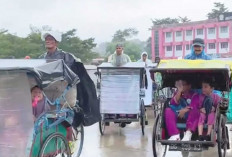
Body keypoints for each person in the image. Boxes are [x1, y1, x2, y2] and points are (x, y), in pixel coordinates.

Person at [40, 31, 101, 127]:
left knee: (65, 115)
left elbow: (70, 74)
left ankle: (69, 135)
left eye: (50, 39)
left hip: (64, 88)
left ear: (56, 42)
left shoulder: (66, 56)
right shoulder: (42, 58)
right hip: (48, 89)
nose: (48, 41)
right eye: (46, 39)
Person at [182, 77, 221, 141]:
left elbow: (219, 105)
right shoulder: (199, 97)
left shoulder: (216, 97)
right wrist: (200, 110)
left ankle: (208, 134)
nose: (203, 89)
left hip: (211, 115)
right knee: (200, 115)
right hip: (201, 114)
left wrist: (215, 108)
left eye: (205, 87)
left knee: (211, 115)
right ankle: (199, 135)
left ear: (211, 88)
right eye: (202, 87)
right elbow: (195, 107)